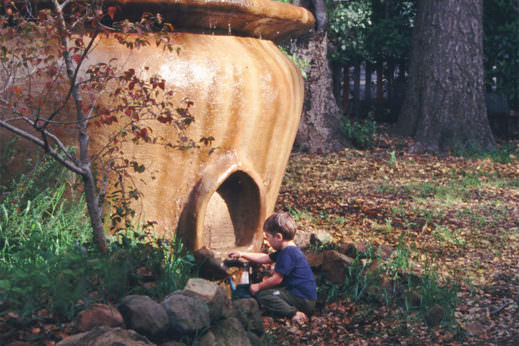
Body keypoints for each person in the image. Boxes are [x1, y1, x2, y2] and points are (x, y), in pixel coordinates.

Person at [229, 212, 317, 323]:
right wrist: (242, 254)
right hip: (302, 296)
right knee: (269, 292)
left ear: (278, 237)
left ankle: (295, 313)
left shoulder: (287, 253)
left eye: (268, 237)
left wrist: (258, 286)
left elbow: (277, 279)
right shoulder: (288, 250)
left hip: (303, 300)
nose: (268, 241)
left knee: (264, 296)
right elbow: (265, 258)